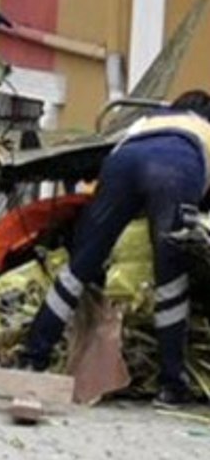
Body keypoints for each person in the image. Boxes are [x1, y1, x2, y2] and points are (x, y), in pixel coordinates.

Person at [21, 89, 210, 406]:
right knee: (170, 280)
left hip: (122, 163)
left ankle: (33, 357)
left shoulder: (148, 121)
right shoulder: (204, 131)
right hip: (176, 172)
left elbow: (97, 163)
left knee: (79, 266)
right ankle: (171, 386)